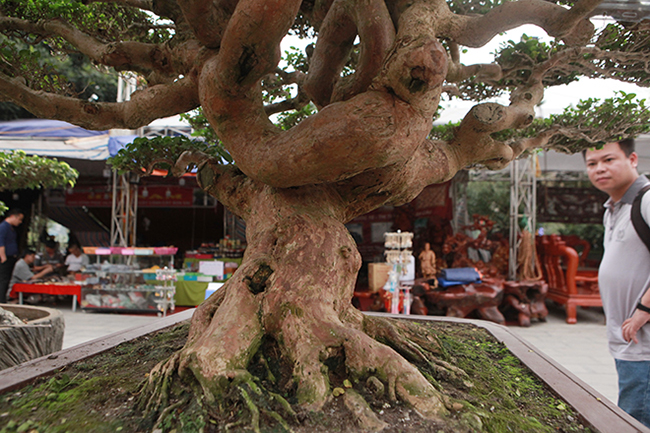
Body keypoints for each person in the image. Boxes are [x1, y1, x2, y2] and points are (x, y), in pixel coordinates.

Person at [585, 138, 650, 427]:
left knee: (636, 418)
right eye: (592, 163)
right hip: (628, 342)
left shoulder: (647, 200)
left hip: (644, 343)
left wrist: (642, 311)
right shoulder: (614, 208)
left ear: (632, 159)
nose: (600, 168)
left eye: (608, 160)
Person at [0, 209, 24, 303]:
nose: (20, 222)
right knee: (3, 279)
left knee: (7, 279)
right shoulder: (3, 227)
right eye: (19, 219)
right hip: (5, 257)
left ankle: (3, 298)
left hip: (11, 257)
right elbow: (1, 243)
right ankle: (1, 300)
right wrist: (3, 257)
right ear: (13, 216)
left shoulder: (10, 228)